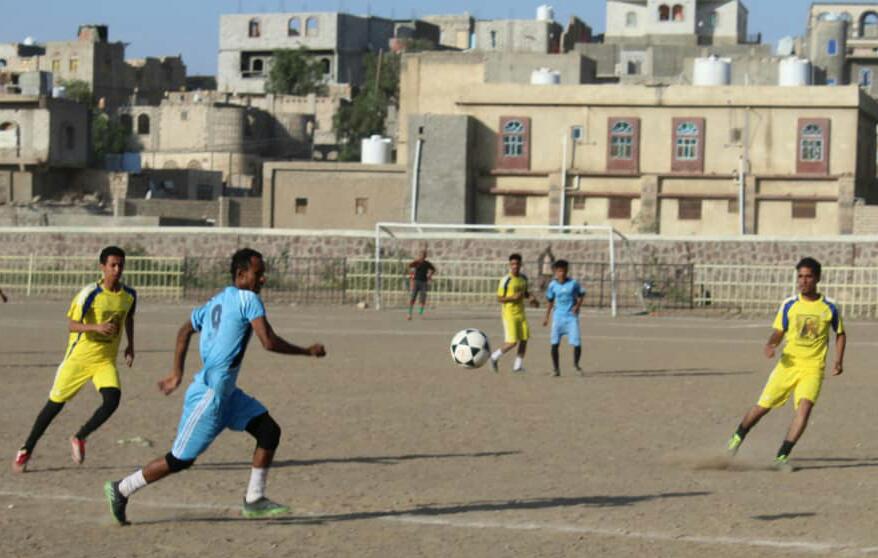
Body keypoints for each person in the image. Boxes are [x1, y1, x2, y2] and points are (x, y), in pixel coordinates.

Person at [104, 248, 326, 525]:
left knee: (269, 431)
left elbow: (185, 330)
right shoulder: (249, 299)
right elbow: (268, 341)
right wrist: (306, 351)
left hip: (228, 394)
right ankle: (121, 489)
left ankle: (254, 499)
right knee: (179, 460)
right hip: (209, 396)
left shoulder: (216, 301)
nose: (262, 280)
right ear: (241, 274)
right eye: (258, 274)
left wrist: (177, 373)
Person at [13, 246, 136, 473]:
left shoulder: (129, 295)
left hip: (105, 361)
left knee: (112, 400)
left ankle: (80, 437)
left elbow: (128, 318)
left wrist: (130, 345)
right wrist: (96, 327)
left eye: (120, 265)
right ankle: (26, 449)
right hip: (78, 360)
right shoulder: (90, 293)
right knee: (54, 406)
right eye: (112, 265)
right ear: (102, 267)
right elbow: (72, 324)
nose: (117, 270)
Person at [725, 257, 846, 471]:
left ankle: (781, 456)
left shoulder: (829, 307)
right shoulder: (789, 304)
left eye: (808, 276)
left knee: (805, 409)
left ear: (817, 278)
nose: (803, 281)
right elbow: (779, 330)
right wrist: (772, 344)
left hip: (813, 368)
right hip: (787, 366)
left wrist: (838, 360)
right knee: (762, 407)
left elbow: (840, 333)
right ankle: (736, 439)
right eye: (800, 276)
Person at [542, 260, 585, 377]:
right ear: (555, 272)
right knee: (554, 343)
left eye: (564, 271)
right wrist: (546, 317)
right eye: (559, 271)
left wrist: (577, 306)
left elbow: (581, 295)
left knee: (577, 343)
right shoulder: (552, 285)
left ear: (567, 271)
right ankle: (556, 369)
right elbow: (550, 301)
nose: (562, 273)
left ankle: (576, 365)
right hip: (558, 317)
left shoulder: (573, 283)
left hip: (571, 318)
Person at [490, 253, 530, 373]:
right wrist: (512, 298)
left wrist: (532, 298)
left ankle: (517, 366)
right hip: (509, 314)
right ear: (509, 265)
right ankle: (494, 357)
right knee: (512, 342)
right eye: (512, 264)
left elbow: (525, 293)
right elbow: (499, 298)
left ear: (520, 264)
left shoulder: (523, 278)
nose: (515, 266)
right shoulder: (505, 280)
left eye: (517, 264)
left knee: (524, 339)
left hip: (521, 313)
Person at [407, 249, 436, 320]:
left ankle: (421, 313)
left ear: (425, 256)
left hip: (424, 282)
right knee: (413, 297)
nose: (421, 257)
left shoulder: (427, 263)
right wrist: (411, 275)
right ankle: (409, 314)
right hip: (416, 281)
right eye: (420, 255)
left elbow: (433, 269)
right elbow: (409, 266)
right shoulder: (416, 262)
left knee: (423, 298)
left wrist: (429, 276)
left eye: (423, 255)